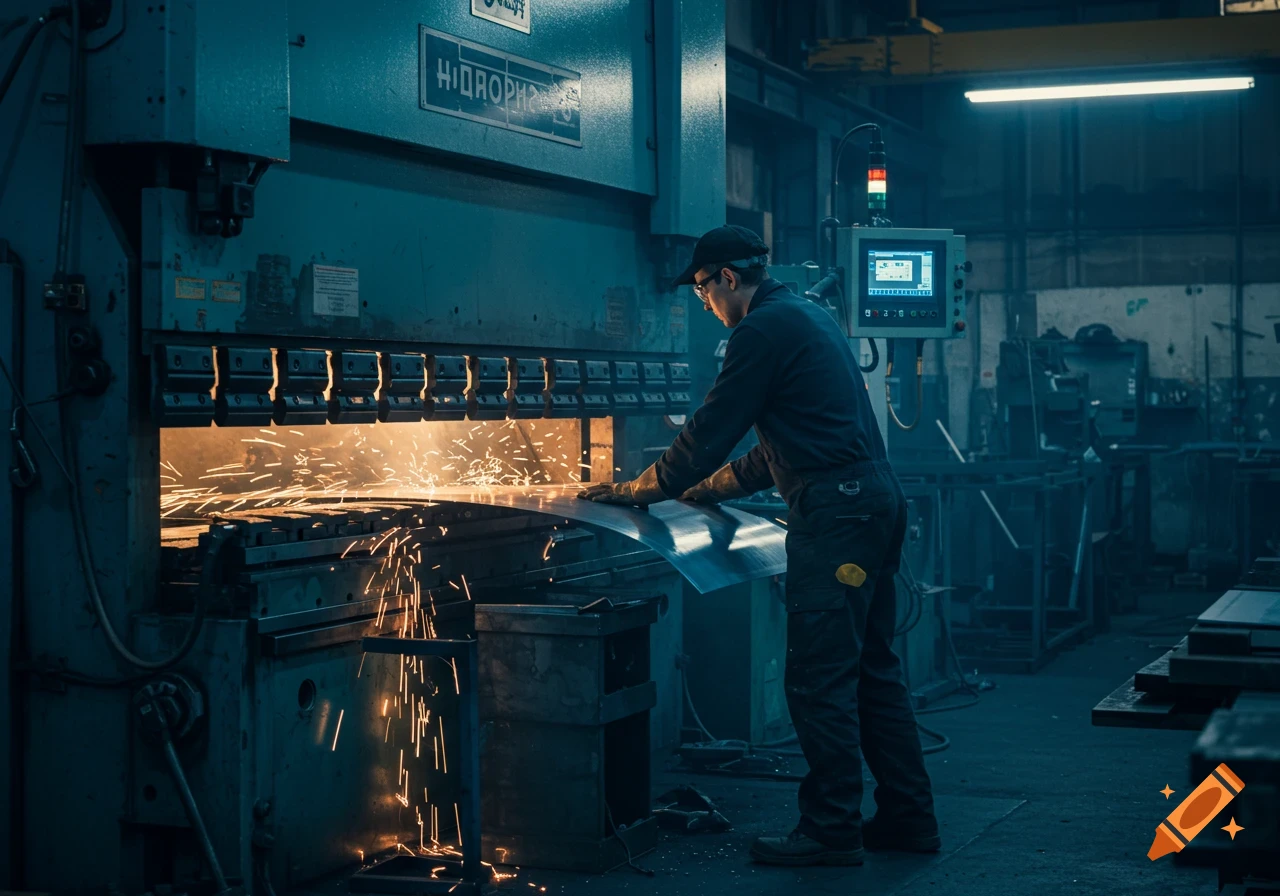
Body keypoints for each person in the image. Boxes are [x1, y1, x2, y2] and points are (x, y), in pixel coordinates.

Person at [578, 225, 940, 866]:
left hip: (839, 520)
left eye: (700, 289)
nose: (704, 303)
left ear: (726, 277)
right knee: (873, 672)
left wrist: (644, 489)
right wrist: (703, 492)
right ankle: (909, 818)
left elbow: (712, 428)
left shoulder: (759, 332)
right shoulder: (806, 316)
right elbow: (769, 452)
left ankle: (830, 830)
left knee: (819, 678)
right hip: (872, 504)